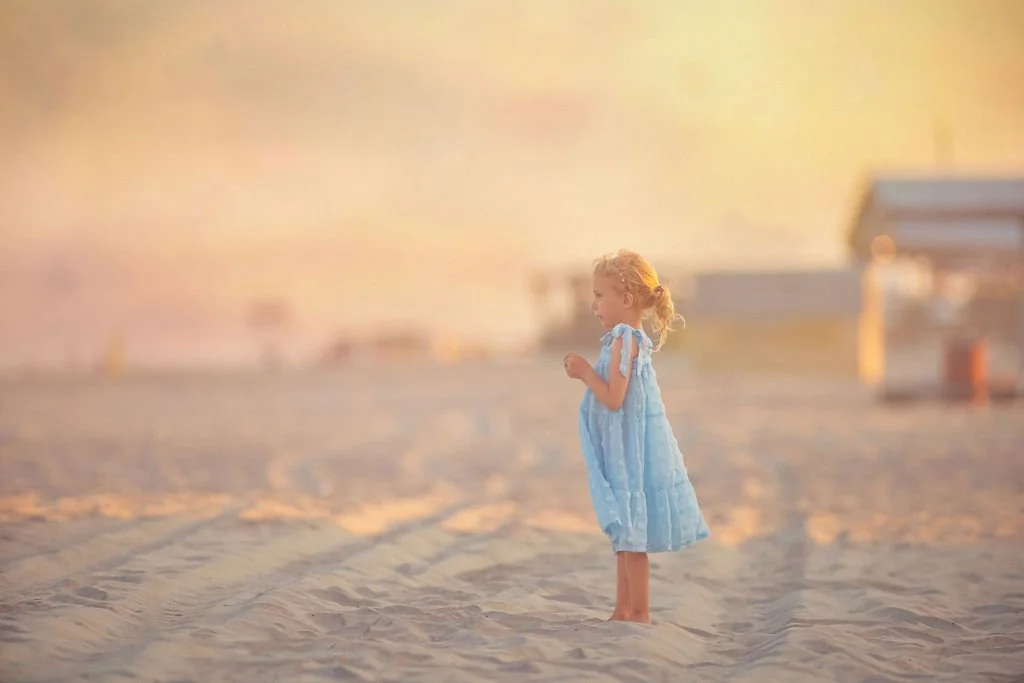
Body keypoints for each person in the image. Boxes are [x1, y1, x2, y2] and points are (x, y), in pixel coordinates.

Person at [563, 249, 709, 624]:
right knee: (624, 536)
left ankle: (639, 613)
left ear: (626, 299)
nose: (593, 304)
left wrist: (583, 372)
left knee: (632, 537)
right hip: (622, 447)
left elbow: (614, 396)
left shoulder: (625, 339)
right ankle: (622, 609)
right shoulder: (621, 339)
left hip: (629, 450)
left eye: (599, 295)